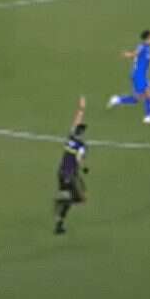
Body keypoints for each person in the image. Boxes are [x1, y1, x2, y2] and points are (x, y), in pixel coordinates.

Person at [106, 29, 150, 124]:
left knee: (143, 97)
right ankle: (147, 117)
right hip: (139, 76)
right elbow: (135, 54)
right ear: (147, 38)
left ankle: (117, 100)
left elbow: (146, 57)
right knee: (143, 96)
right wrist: (127, 54)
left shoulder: (148, 48)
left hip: (142, 76)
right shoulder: (142, 47)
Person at [54, 97, 88, 235]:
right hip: (70, 175)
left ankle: (59, 223)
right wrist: (84, 168)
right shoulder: (82, 146)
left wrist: (81, 108)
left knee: (68, 196)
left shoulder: (70, 138)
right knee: (82, 199)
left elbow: (76, 122)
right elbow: (79, 159)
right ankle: (63, 203)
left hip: (61, 172)